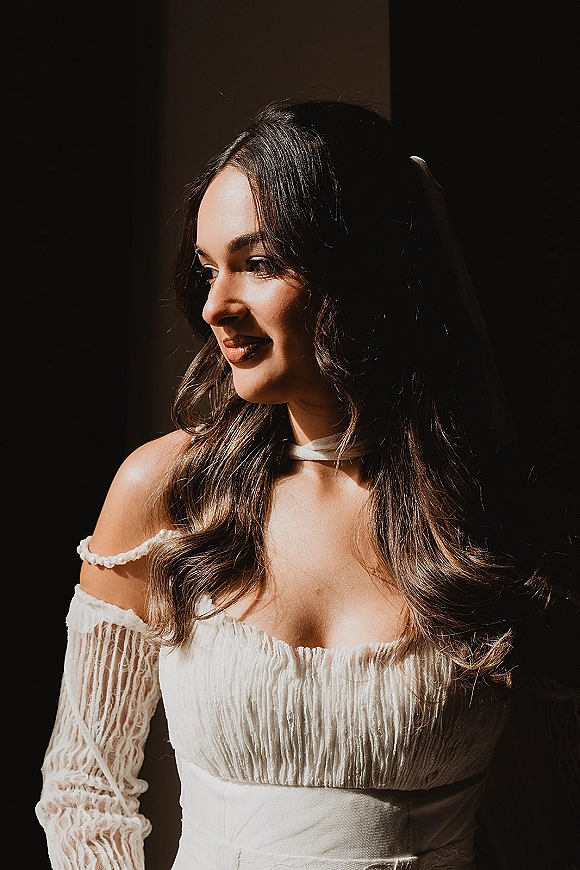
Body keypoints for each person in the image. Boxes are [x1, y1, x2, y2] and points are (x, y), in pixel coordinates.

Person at [36, 100, 579, 870]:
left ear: (367, 265)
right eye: (208, 269)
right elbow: (84, 787)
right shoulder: (166, 492)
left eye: (257, 263)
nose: (216, 306)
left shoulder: (502, 513)